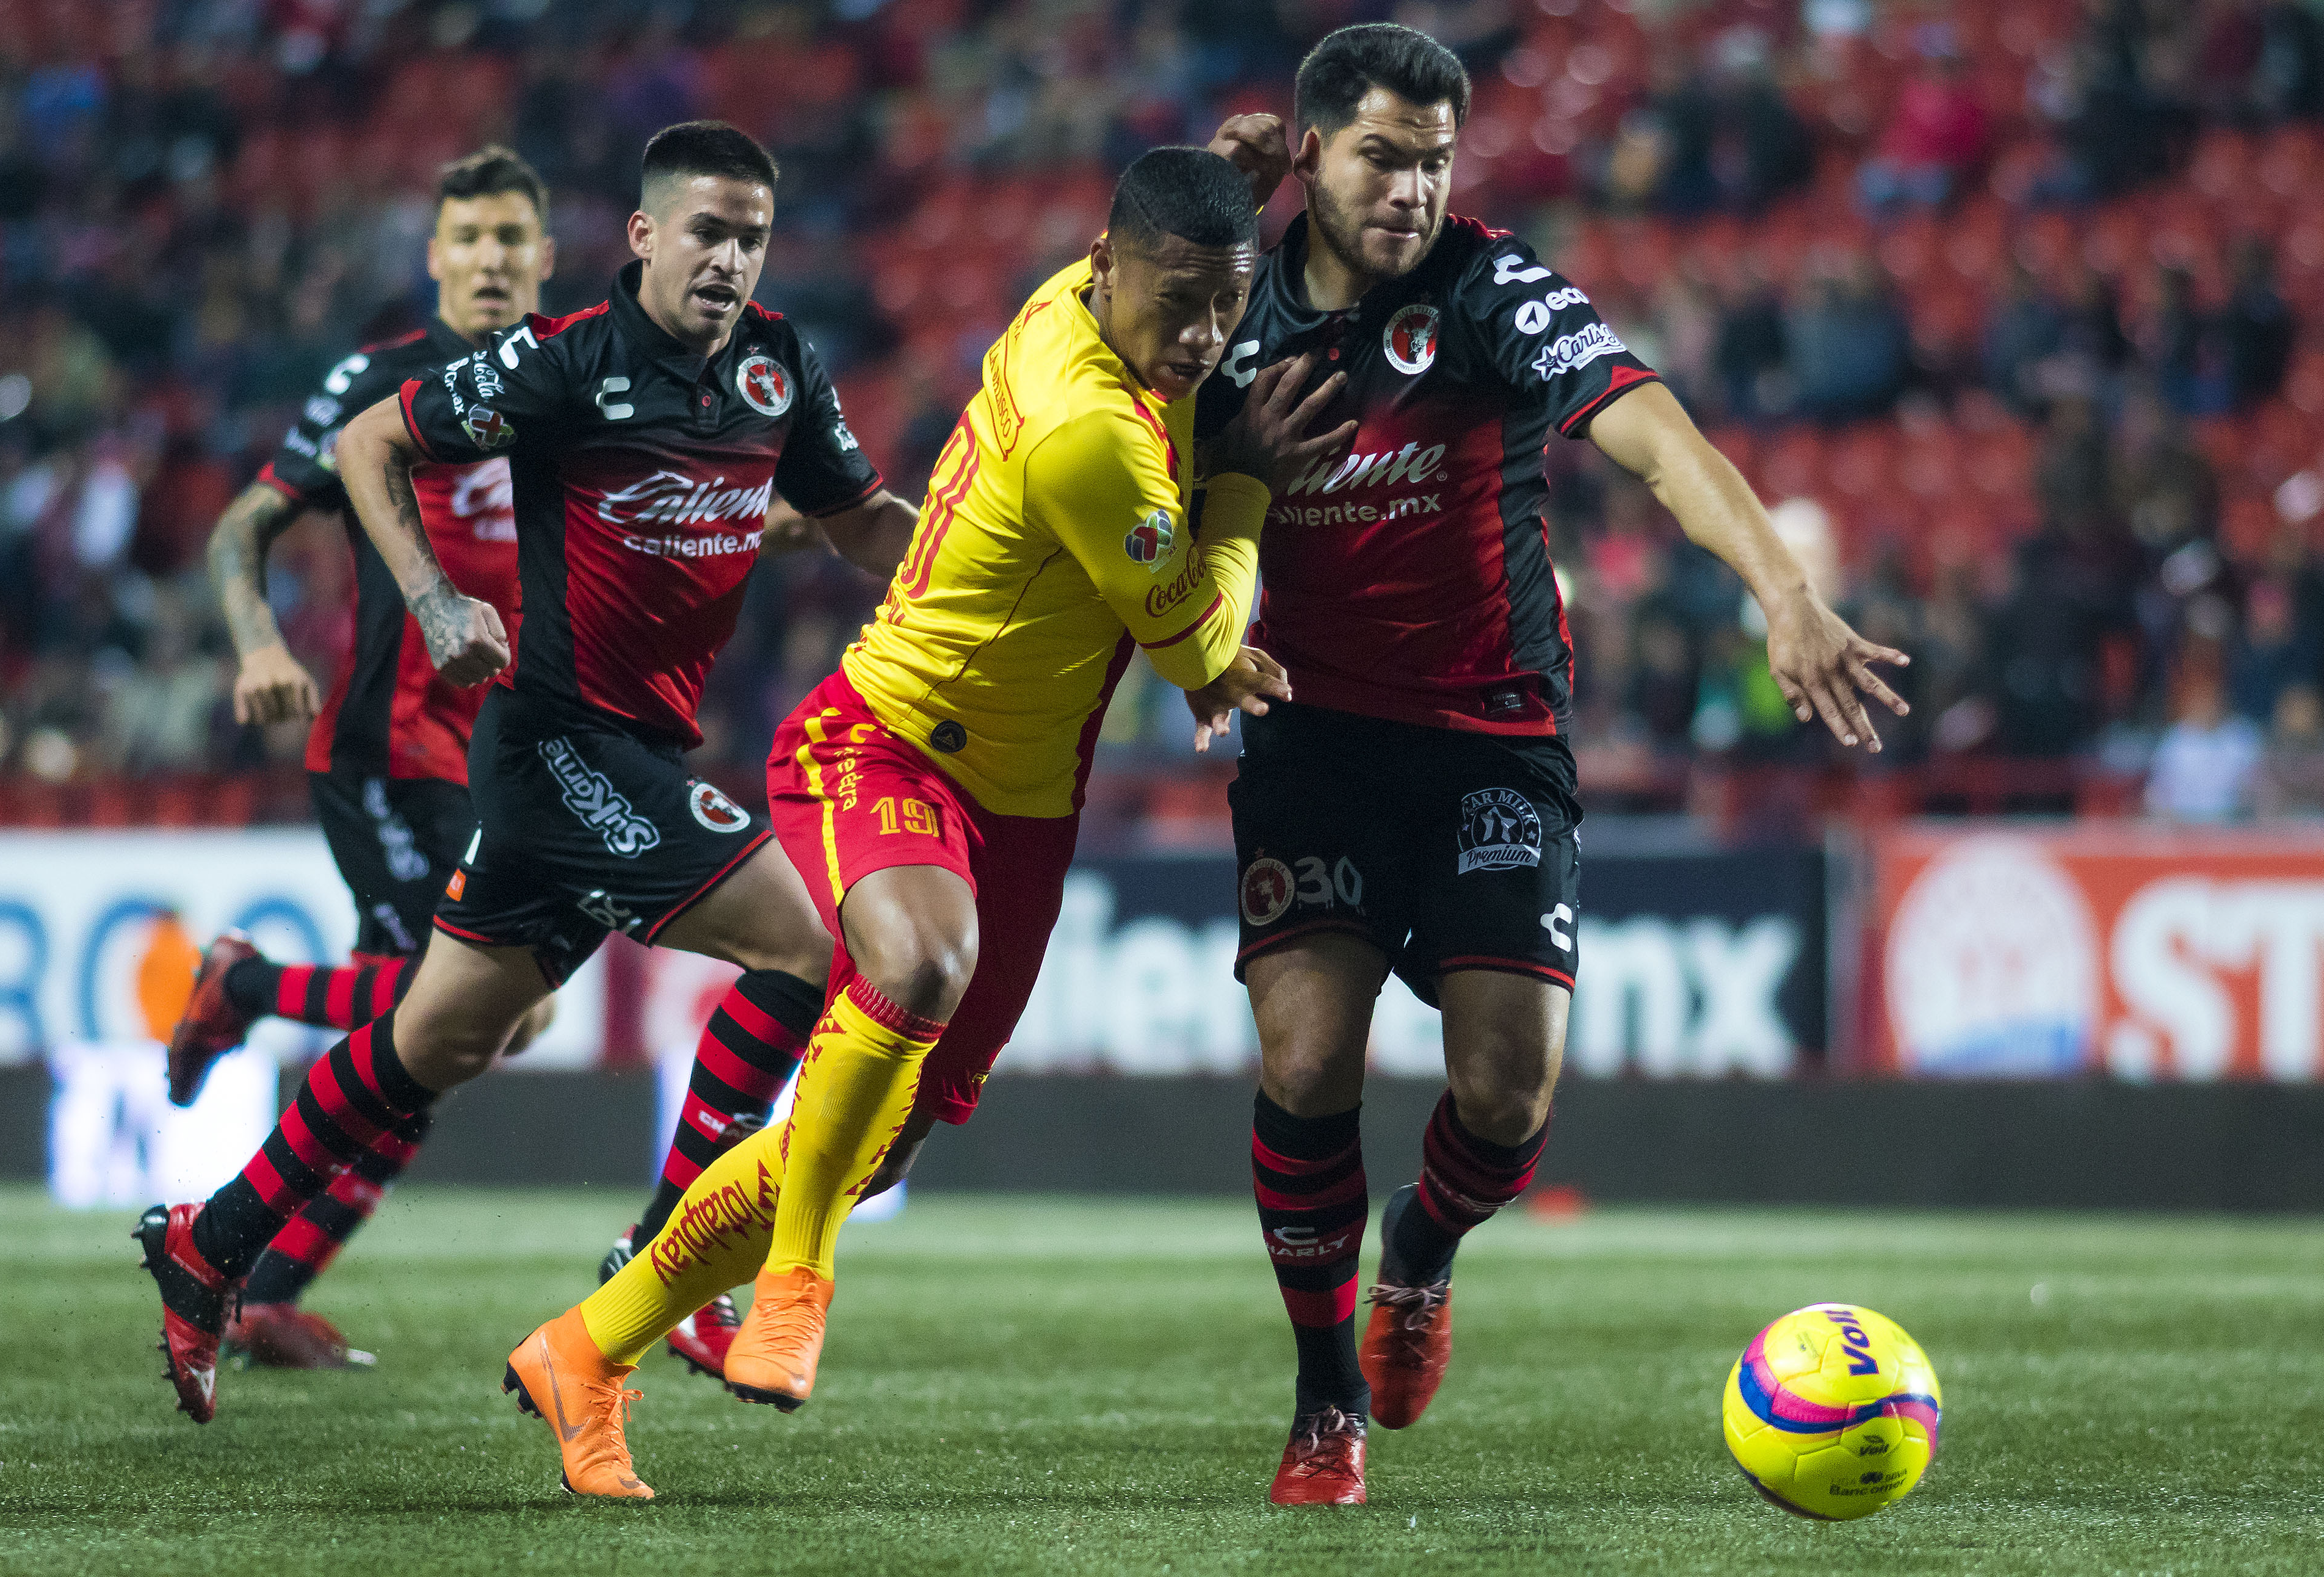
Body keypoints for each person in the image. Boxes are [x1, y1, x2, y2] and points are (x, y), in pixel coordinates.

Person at [514, 145, 1351, 1498]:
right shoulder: (1089, 429)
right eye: (1182, 304)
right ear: (1111, 269)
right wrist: (1245, 484)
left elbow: (1176, 255)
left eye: (1227, 304)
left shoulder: (1082, 295)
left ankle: (585, 1348)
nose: (1205, 337)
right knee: (917, 962)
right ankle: (796, 1281)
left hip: (1028, 808)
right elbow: (1201, 648)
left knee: (874, 1139)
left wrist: (1233, 184)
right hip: (889, 739)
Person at [1191, 24, 1910, 1505]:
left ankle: (1421, 1252)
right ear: (1309, 154)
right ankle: (1324, 1399)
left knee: (1510, 1094)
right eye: (1381, 156)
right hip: (1314, 736)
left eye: (1435, 160)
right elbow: (1095, 437)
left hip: (1493, 739)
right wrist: (1228, 464)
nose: (1412, 188)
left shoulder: (1490, 287)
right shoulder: (1224, 307)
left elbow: (1657, 438)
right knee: (1307, 1056)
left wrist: (1783, 594)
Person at [132, 122, 919, 1458]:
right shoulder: (565, 362)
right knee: (806, 948)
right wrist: (435, 599)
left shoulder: (780, 365)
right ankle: (667, 1263)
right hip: (558, 744)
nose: (729, 260)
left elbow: (857, 523)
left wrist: (992, 558)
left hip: (626, 751)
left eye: (752, 238)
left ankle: (214, 1239)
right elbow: (373, 442)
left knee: (433, 1041)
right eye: (707, 232)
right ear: (645, 236)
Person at [161, 146, 557, 1371]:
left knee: (435, 1054)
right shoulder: (378, 382)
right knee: (464, 1013)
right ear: (435, 256)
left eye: (511, 237)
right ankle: (243, 989)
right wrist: (256, 642)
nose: (490, 259)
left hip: (493, 761)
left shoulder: (576, 380)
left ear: (544, 257)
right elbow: (243, 526)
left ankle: (262, 1294)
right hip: (389, 747)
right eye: (469, 237)